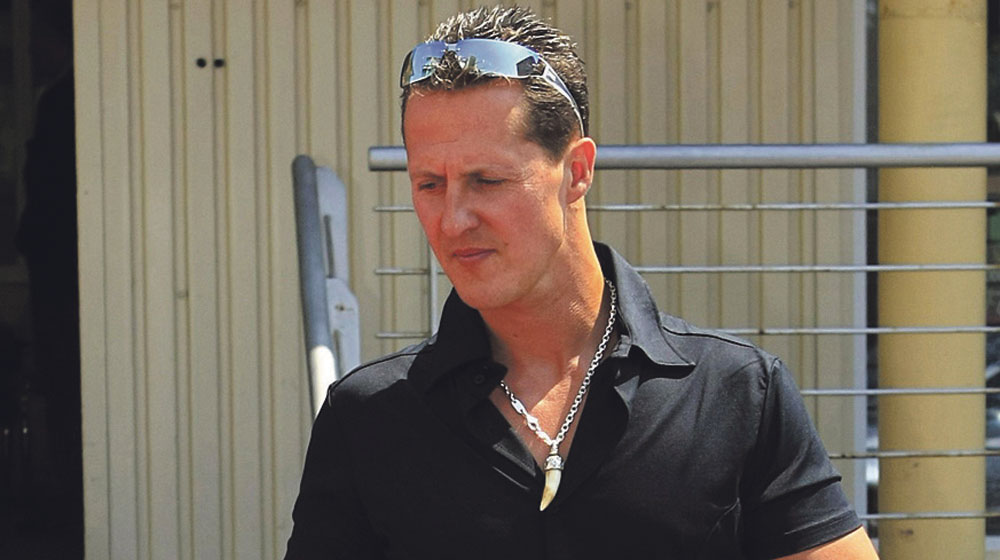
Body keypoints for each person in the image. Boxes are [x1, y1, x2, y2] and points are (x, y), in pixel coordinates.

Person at [286, 6, 879, 559]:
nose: (452, 220)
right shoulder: (366, 418)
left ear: (576, 171)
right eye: (429, 184)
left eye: (487, 180)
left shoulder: (736, 392)